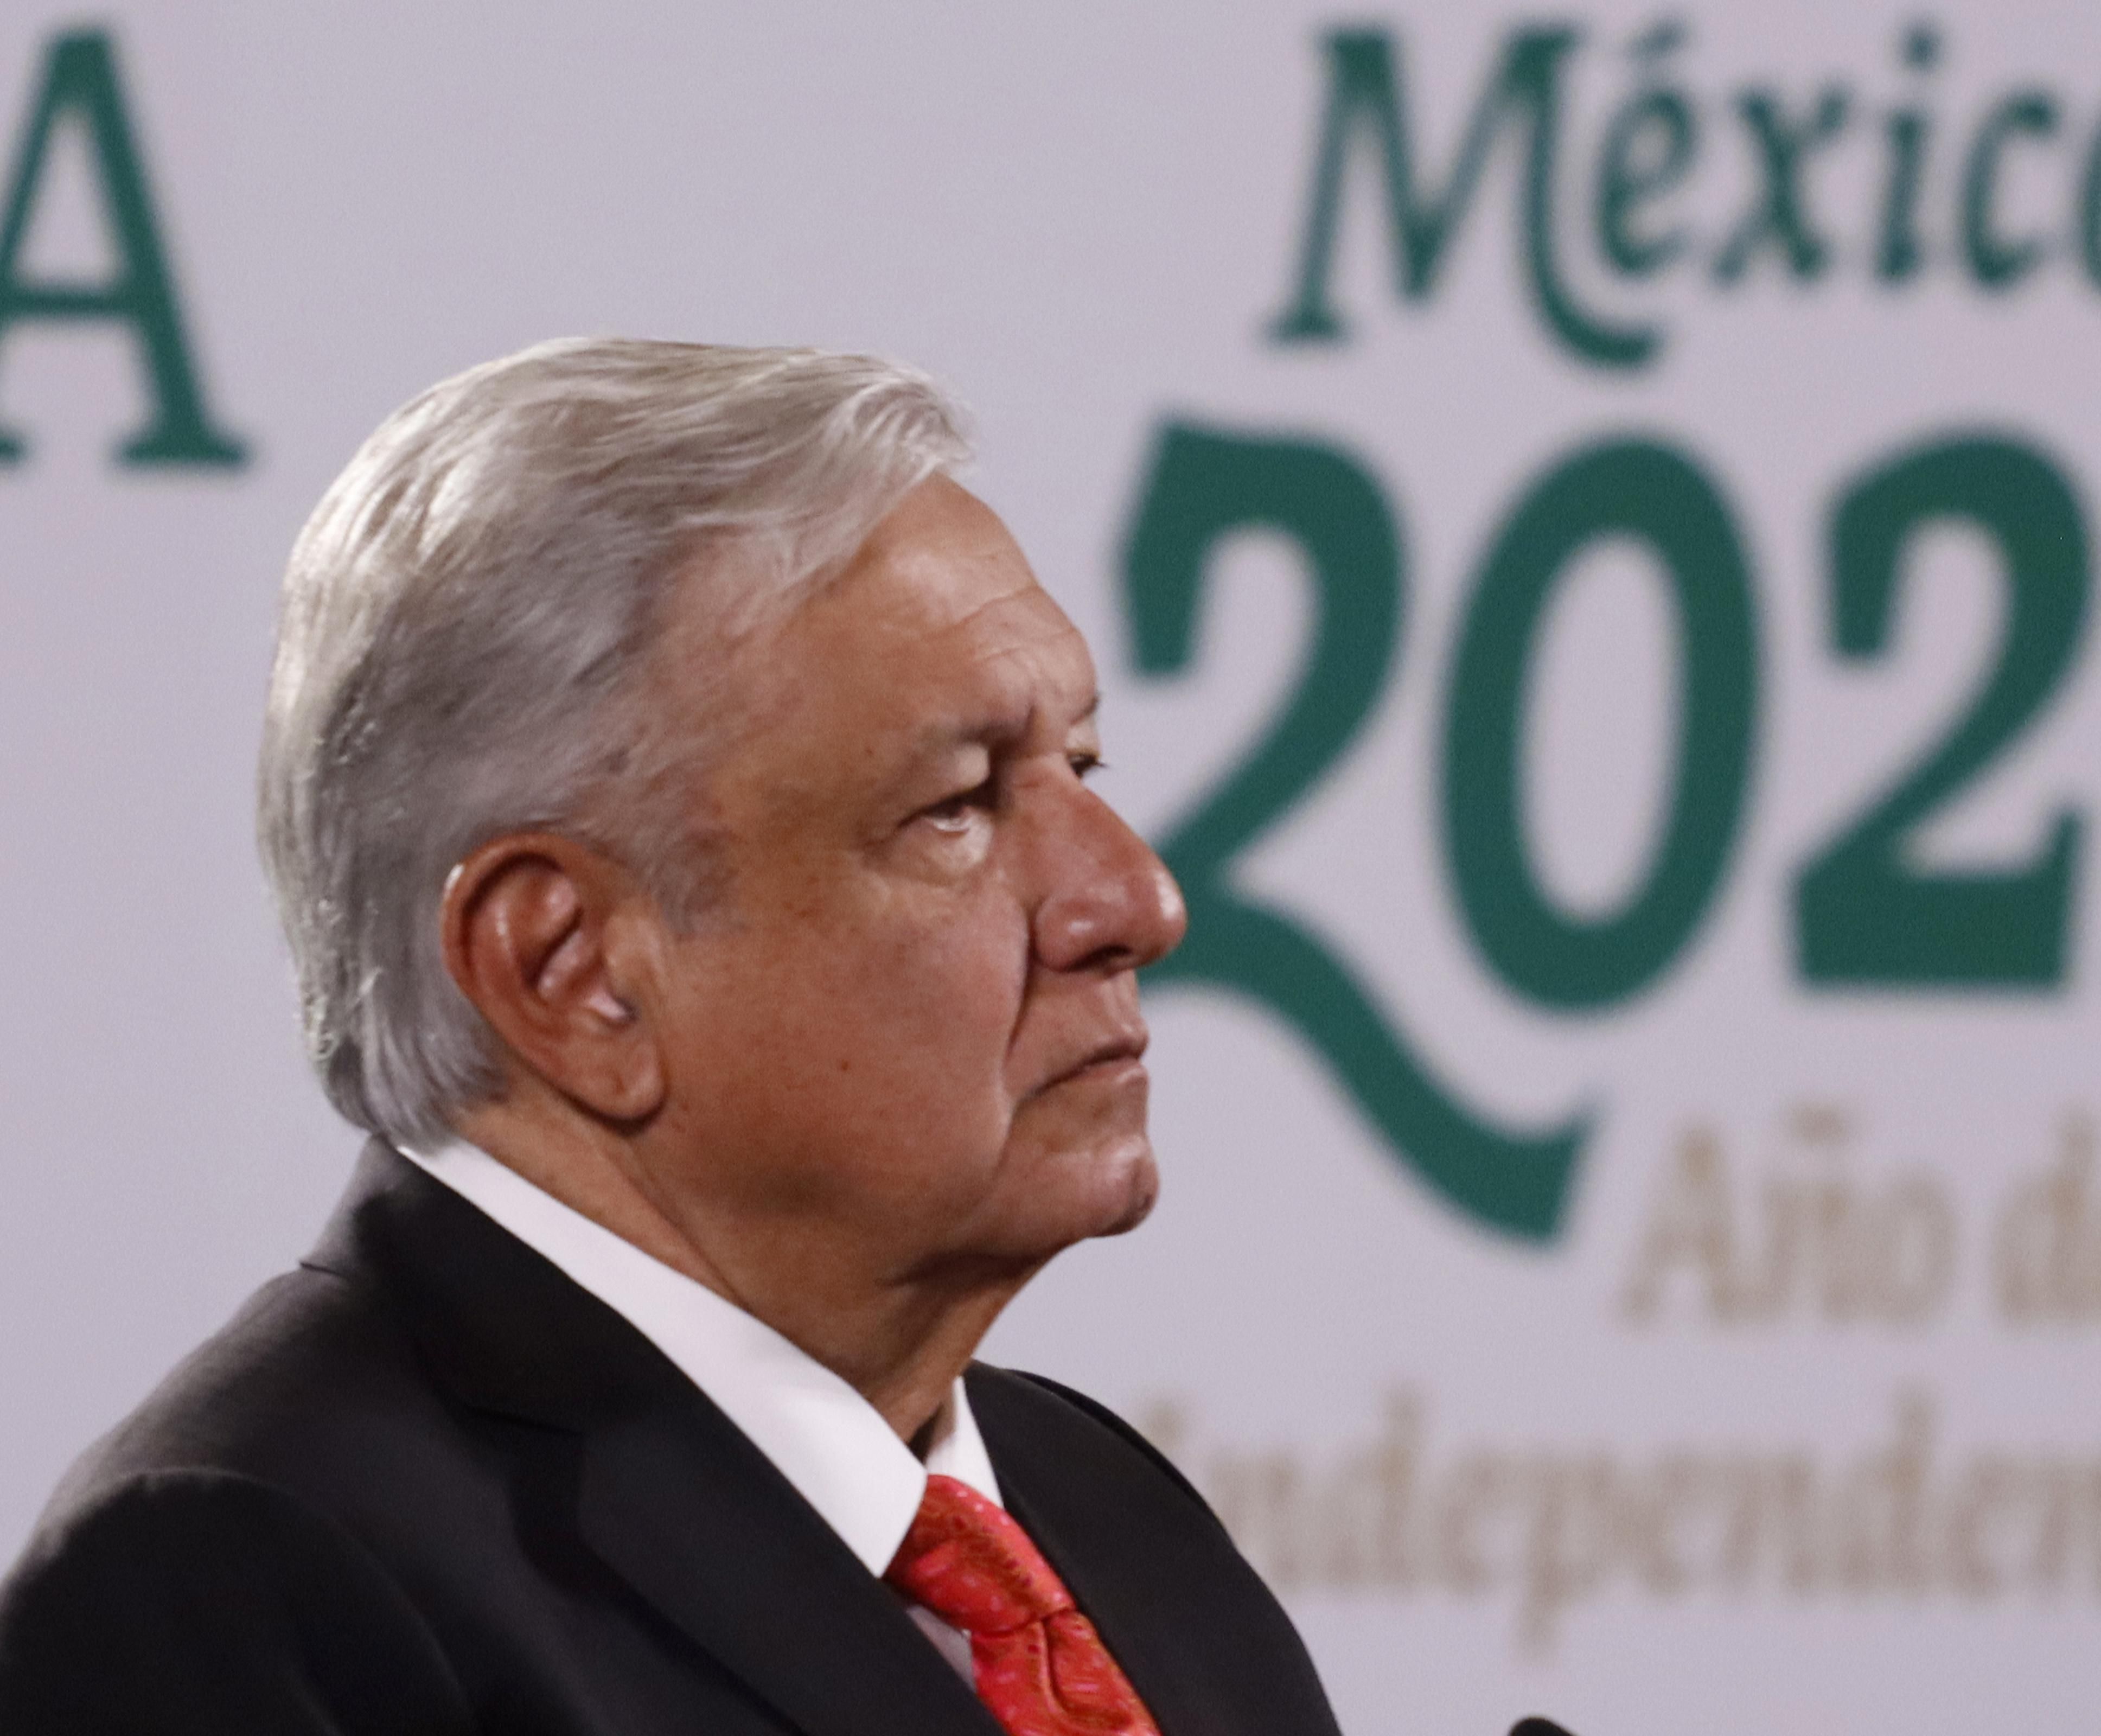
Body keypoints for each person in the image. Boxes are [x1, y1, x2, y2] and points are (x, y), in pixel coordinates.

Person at [0, 339, 1344, 1736]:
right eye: (958, 804)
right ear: (571, 970)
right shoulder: (249, 1586)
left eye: (1083, 768)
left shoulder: (1107, 1518)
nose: (1139, 900)